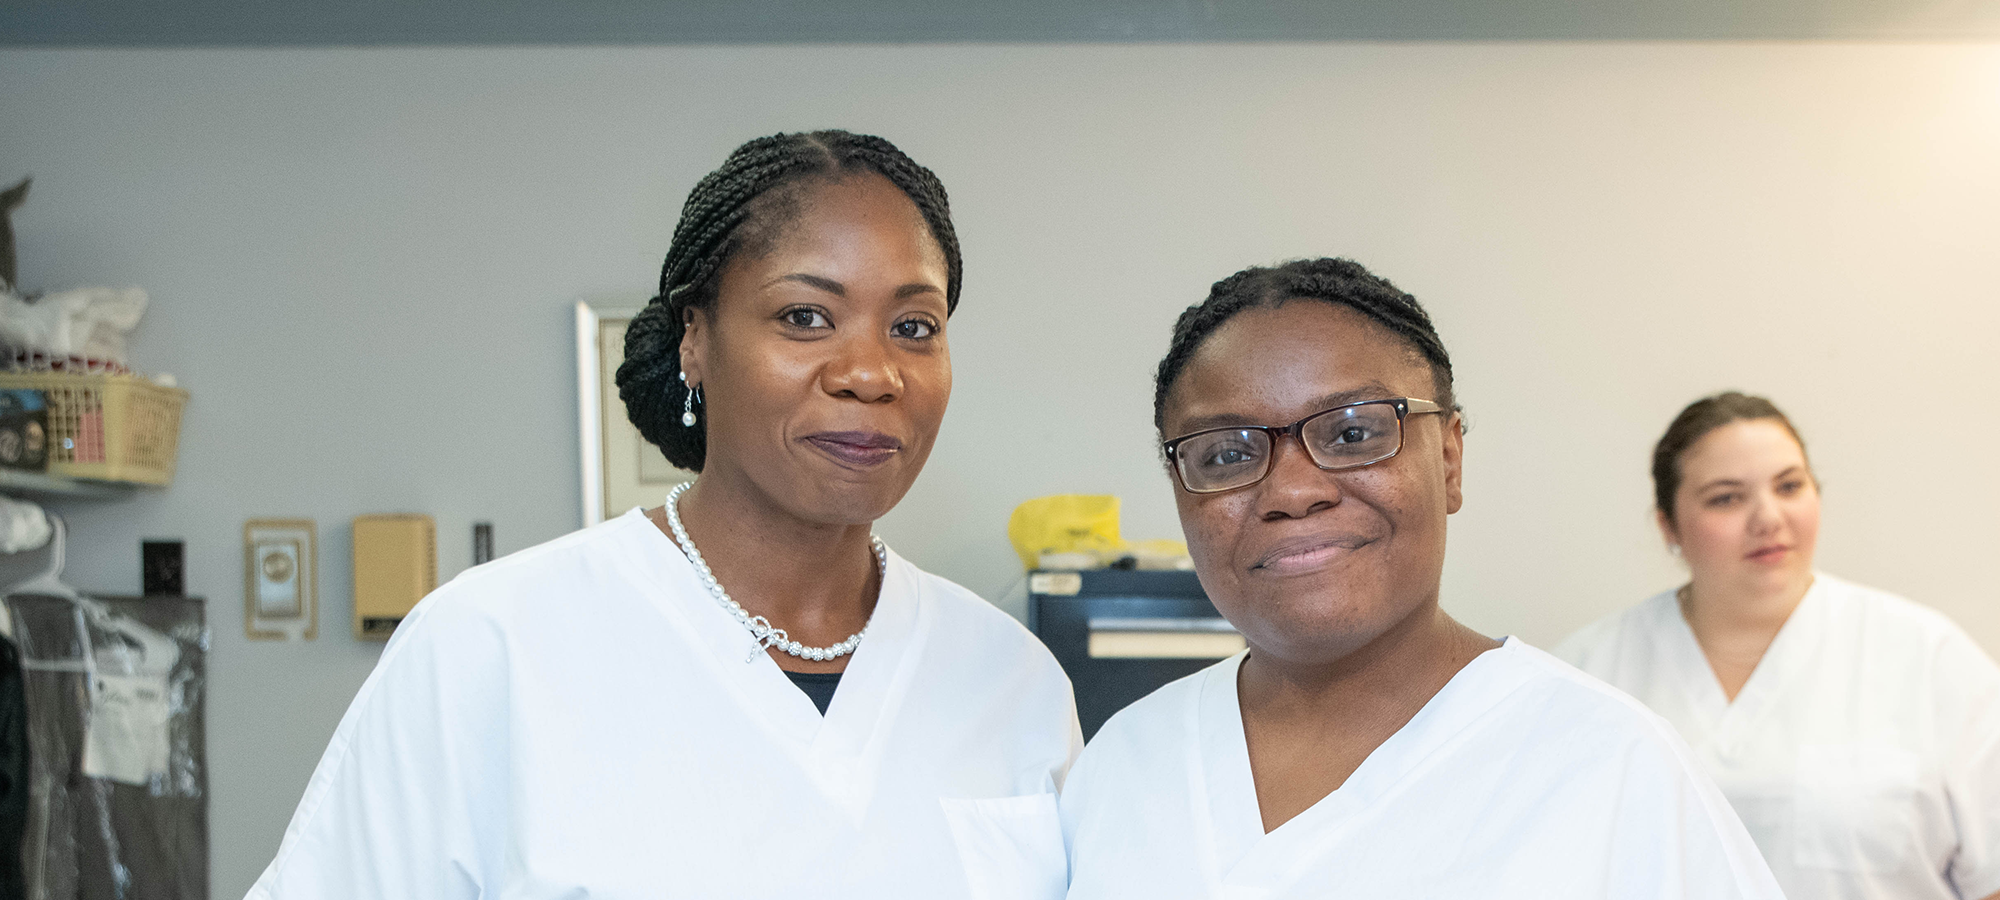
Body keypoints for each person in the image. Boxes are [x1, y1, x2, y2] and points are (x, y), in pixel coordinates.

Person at [247, 131, 1080, 900]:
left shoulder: (1013, 681)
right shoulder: (491, 644)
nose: (870, 372)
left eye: (913, 326)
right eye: (804, 317)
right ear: (695, 339)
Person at [1059, 258, 1782, 899]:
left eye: (1351, 432)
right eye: (1225, 454)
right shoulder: (1124, 766)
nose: (1291, 491)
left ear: (1449, 459)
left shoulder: (1612, 767)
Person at [1558, 391, 2000, 900]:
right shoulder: (1589, 674)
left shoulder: (1929, 658)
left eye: (1789, 486)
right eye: (1726, 497)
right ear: (1668, 526)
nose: (1768, 517)